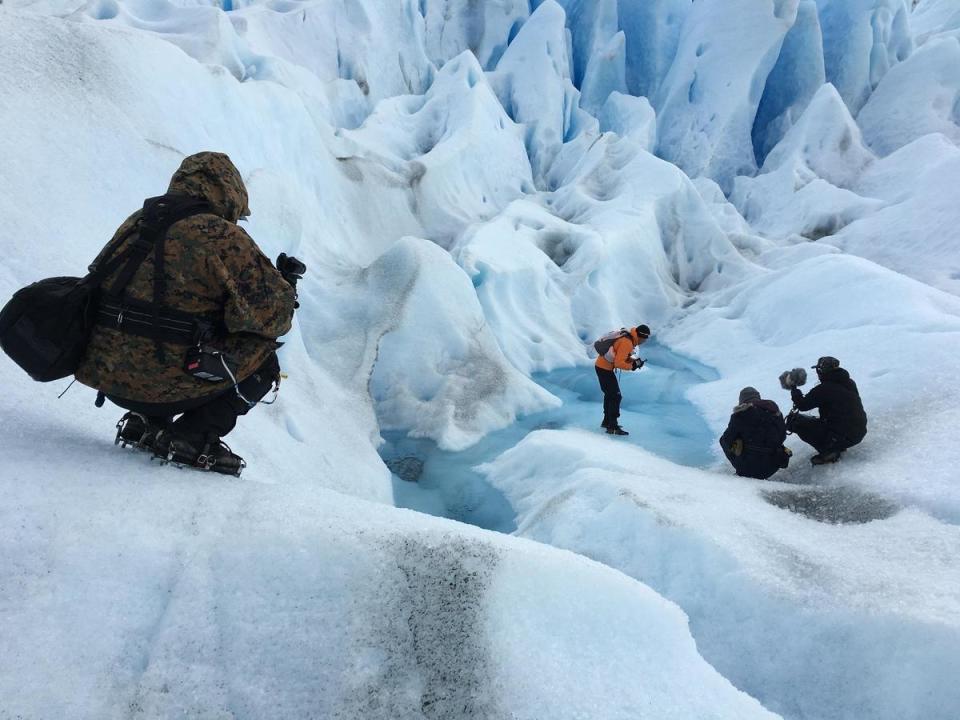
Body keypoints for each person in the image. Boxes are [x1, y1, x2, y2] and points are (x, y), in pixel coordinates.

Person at [74, 152, 300, 475]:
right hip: (160, 384)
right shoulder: (222, 237)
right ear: (228, 194)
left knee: (161, 328)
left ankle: (146, 424)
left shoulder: (139, 220)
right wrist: (285, 290)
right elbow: (275, 320)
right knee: (264, 361)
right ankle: (192, 437)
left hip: (107, 376)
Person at [786, 356, 867, 465]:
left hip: (841, 436)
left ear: (821, 371)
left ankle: (829, 451)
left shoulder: (824, 389)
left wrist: (793, 388)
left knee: (794, 421)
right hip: (858, 433)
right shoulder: (849, 382)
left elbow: (802, 405)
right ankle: (837, 444)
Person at [719, 387, 791, 479]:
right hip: (773, 465)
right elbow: (782, 437)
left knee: (723, 440)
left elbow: (727, 439)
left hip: (749, 468)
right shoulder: (774, 412)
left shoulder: (740, 414)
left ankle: (742, 471)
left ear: (742, 400)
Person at [595, 324, 650, 435]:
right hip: (604, 369)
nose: (644, 342)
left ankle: (607, 422)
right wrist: (633, 366)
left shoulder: (628, 338)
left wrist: (633, 361)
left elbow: (620, 356)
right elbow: (619, 363)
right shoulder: (627, 342)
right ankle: (613, 426)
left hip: (602, 367)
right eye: (644, 340)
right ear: (641, 337)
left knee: (610, 395)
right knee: (615, 396)